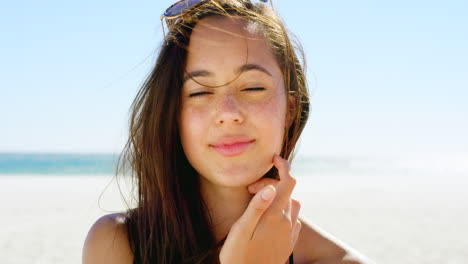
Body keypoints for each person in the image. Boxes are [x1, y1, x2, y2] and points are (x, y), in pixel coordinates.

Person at [82, 0, 369, 263]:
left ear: (290, 108)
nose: (228, 112)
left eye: (253, 87)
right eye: (200, 92)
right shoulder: (117, 244)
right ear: (172, 112)